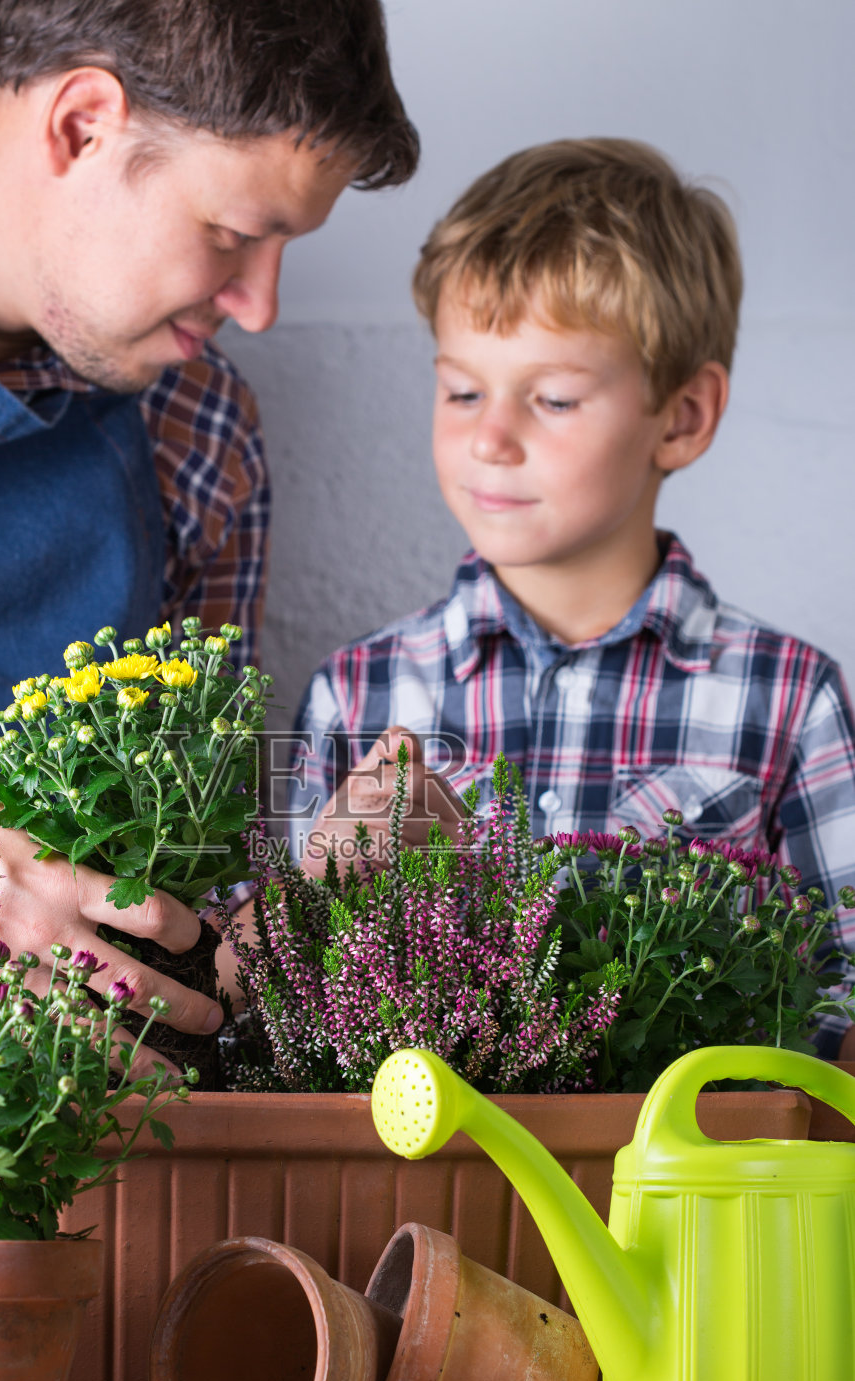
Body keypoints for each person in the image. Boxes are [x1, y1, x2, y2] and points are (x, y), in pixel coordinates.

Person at [0, 0, 418, 1057]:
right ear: (81, 124)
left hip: (25, 1142)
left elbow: (188, 905)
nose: (258, 305)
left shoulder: (198, 430)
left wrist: (308, 908)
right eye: (231, 233)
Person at [289, 138, 855, 1059]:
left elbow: (843, 1014)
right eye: (462, 391)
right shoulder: (357, 696)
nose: (490, 440)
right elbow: (272, 1010)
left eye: (551, 399)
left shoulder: (788, 699)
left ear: (680, 418)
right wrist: (328, 885)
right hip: (426, 1189)